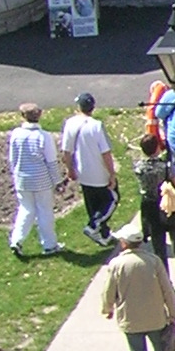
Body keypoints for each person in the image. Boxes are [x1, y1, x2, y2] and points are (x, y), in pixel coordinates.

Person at [60, 91, 120, 246]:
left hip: (83, 173)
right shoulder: (96, 126)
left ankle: (104, 236)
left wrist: (70, 169)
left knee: (93, 206)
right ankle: (93, 226)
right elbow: (105, 153)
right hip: (100, 174)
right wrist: (111, 174)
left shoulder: (70, 123)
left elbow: (66, 152)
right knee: (112, 199)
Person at [135, 125, 175, 280]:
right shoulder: (165, 166)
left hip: (149, 205)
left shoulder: (139, 167)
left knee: (158, 243)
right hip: (168, 202)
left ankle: (164, 277)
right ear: (157, 149)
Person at [7, 105, 62, 260]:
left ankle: (16, 240)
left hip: (22, 180)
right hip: (41, 180)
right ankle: (49, 245)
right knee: (44, 212)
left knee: (26, 210)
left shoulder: (16, 134)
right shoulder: (44, 136)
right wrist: (57, 181)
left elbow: (12, 158)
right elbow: (51, 162)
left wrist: (15, 174)